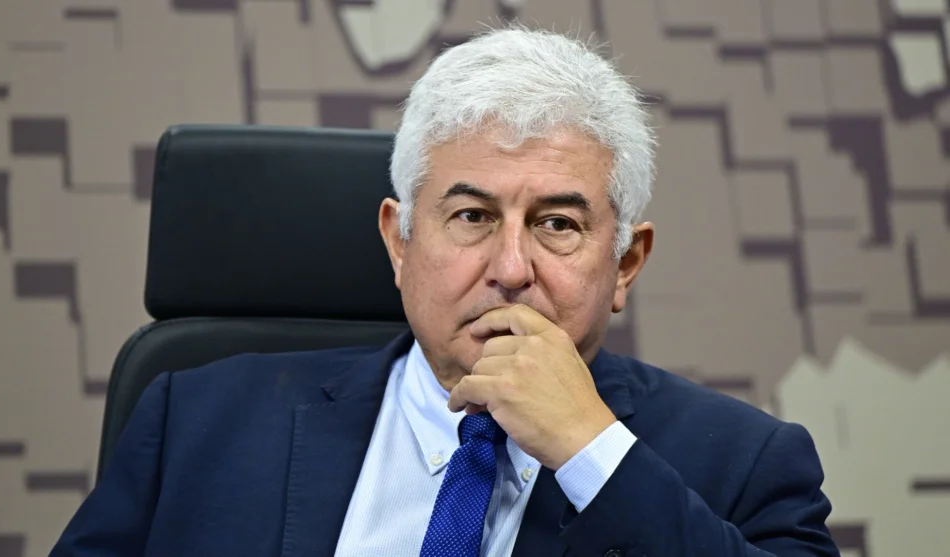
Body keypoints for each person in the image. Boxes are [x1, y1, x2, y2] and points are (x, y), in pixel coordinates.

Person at [51, 27, 840, 557]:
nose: (511, 268)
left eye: (557, 224)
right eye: (471, 216)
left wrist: (591, 451)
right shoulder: (195, 421)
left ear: (625, 263)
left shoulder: (744, 464)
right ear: (399, 241)